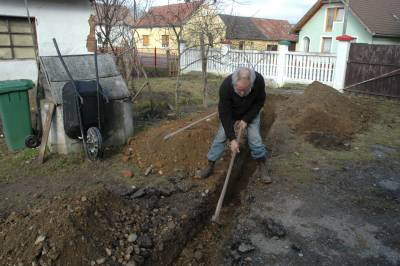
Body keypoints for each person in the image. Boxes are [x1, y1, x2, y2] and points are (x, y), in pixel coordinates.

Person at [198, 67, 271, 183]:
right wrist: (232, 139)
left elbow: (259, 102)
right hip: (231, 112)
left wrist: (246, 119)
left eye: (245, 90)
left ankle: (262, 166)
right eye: (239, 90)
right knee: (221, 136)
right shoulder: (226, 87)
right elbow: (224, 114)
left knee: (255, 138)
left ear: (251, 84)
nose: (242, 93)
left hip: (250, 111)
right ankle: (210, 164)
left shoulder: (258, 81)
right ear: (234, 83)